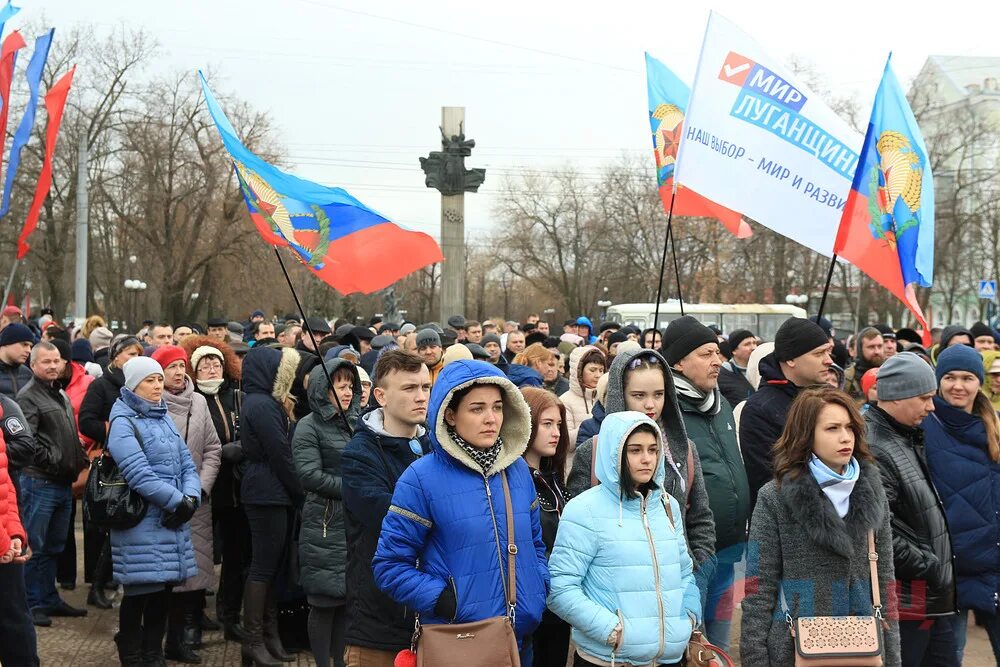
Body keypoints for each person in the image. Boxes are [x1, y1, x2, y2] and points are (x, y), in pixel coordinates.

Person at [372, 360, 550, 665]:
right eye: (477, 408)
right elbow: (389, 566)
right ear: (450, 415)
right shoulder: (421, 478)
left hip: (520, 639)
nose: (491, 418)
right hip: (460, 641)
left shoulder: (518, 471)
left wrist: (538, 585)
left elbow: (535, 544)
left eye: (497, 407)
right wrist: (445, 600)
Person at [740, 387, 900, 666]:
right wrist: (755, 659)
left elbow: (885, 582)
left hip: (864, 647)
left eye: (850, 427)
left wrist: (893, 657)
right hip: (795, 648)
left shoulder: (873, 492)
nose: (845, 437)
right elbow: (759, 588)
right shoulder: (775, 497)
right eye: (832, 428)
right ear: (806, 434)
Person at [548, 411, 701, 666]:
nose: (646, 459)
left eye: (653, 450)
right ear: (615, 453)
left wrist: (688, 616)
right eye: (635, 450)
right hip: (609, 659)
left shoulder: (667, 506)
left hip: (668, 658)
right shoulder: (585, 510)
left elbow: (684, 572)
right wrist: (611, 630)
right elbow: (559, 587)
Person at [567, 347, 717, 595]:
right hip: (613, 599)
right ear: (619, 395)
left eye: (659, 394)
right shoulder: (592, 453)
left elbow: (701, 519)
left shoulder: (683, 450)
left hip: (677, 593)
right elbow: (577, 536)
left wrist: (695, 575)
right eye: (638, 395)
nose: (650, 404)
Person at [663, 316, 750, 652]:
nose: (718, 361)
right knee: (692, 648)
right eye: (706, 353)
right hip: (691, 556)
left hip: (728, 547)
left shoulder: (721, 404)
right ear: (680, 362)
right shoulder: (667, 410)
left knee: (720, 647)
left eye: (718, 352)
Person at [107, 356, 201, 666]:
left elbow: (187, 463)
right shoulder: (123, 420)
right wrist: (179, 502)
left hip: (170, 521)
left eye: (159, 379)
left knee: (163, 591)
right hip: (141, 522)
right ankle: (132, 655)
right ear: (133, 385)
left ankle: (153, 653)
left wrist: (190, 498)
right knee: (139, 592)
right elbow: (138, 474)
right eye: (150, 380)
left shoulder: (161, 416)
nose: (158, 385)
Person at [341, 351, 432, 667]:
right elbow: (391, 517)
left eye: (426, 387)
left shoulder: (435, 447)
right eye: (409, 388)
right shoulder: (359, 456)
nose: (421, 397)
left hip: (435, 621)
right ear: (380, 395)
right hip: (378, 622)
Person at [865, 352, 957, 665]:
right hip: (907, 603)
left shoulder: (904, 437)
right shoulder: (876, 445)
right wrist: (930, 566)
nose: (931, 407)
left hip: (928, 599)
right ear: (898, 395)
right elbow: (878, 532)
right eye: (925, 398)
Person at [923, 344, 1000, 661]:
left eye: (967, 377)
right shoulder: (925, 425)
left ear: (979, 382)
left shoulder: (994, 425)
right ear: (938, 380)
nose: (958, 385)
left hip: (993, 562)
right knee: (949, 655)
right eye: (950, 377)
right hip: (948, 566)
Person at [151, 345, 222, 663]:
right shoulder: (150, 403)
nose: (179, 372)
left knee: (190, 576)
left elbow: (212, 449)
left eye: (182, 365)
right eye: (172, 367)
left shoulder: (199, 402)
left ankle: (179, 639)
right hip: (160, 503)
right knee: (160, 578)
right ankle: (152, 639)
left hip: (195, 503)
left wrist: (200, 489)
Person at [179, 336, 249, 641]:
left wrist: (241, 447)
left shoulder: (238, 397)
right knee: (200, 556)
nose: (210, 368)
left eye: (216, 362)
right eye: (204, 363)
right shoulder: (191, 400)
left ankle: (229, 616)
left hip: (234, 491)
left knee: (236, 557)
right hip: (203, 490)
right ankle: (192, 618)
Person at [292, 358, 361, 667]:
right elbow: (309, 475)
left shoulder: (358, 423)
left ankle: (341, 661)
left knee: (347, 601)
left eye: (350, 386)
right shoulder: (308, 426)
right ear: (323, 389)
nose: (346, 392)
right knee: (324, 601)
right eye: (339, 386)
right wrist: (354, 487)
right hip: (325, 521)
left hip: (355, 523)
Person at [239, 345, 304, 667]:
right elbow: (281, 454)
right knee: (263, 567)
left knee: (271, 567)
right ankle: (253, 640)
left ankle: (269, 635)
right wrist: (299, 492)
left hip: (269, 490)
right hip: (267, 491)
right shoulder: (263, 405)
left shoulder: (259, 401)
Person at [17, 341, 90, 626]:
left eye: (56, 361)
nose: (52, 366)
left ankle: (48, 598)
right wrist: (55, 460)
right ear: (33, 365)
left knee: (55, 545)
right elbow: (27, 441)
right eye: (46, 362)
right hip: (39, 482)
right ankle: (31, 603)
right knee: (35, 545)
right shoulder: (28, 397)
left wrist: (79, 456)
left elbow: (67, 433)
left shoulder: (58, 393)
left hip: (62, 483)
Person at [78, 336, 145, 611]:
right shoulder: (102, 385)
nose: (134, 358)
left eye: (139, 354)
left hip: (138, 462)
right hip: (111, 463)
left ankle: (115, 581)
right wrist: (117, 430)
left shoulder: (142, 383)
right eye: (130, 354)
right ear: (116, 357)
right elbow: (86, 421)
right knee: (111, 526)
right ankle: (97, 585)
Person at [740, 317, 833, 508]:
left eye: (828, 352)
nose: (829, 361)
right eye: (819, 354)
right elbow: (769, 480)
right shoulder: (760, 409)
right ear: (790, 359)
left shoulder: (829, 399)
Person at [520, 387, 573, 665]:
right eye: (547, 424)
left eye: (559, 425)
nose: (556, 433)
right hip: (532, 605)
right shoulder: (515, 482)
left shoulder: (553, 480)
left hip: (560, 606)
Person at [560, 346, 606, 446]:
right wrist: (591, 426)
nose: (598, 375)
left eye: (601, 370)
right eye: (592, 370)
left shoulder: (605, 399)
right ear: (579, 371)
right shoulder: (565, 401)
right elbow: (564, 443)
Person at [844, 327, 886, 400]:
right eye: (871, 347)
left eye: (880, 346)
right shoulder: (847, 379)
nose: (877, 351)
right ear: (860, 349)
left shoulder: (891, 374)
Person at [0, 323, 34, 399]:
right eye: (24, 344)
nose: (29, 350)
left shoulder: (27, 374)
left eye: (30, 346)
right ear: (7, 343)